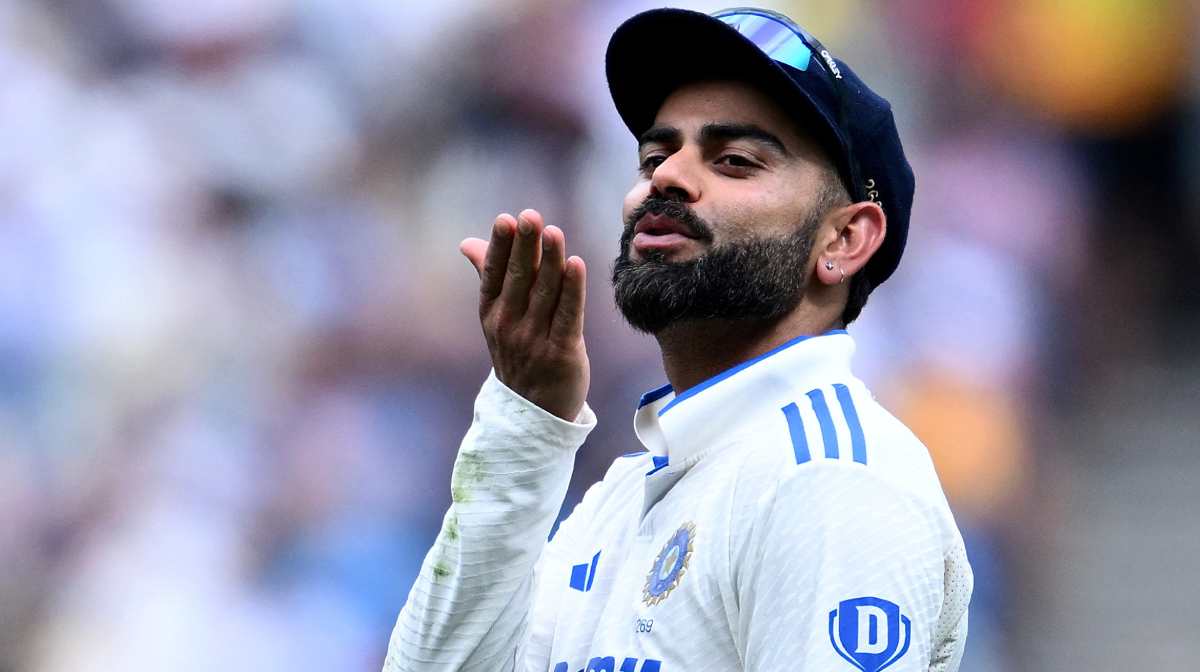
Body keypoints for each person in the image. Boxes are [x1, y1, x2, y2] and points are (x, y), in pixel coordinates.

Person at [383, 7, 972, 672]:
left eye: (735, 161)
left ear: (842, 239)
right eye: (654, 156)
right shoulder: (622, 495)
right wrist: (527, 424)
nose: (664, 177)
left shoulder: (829, 481)